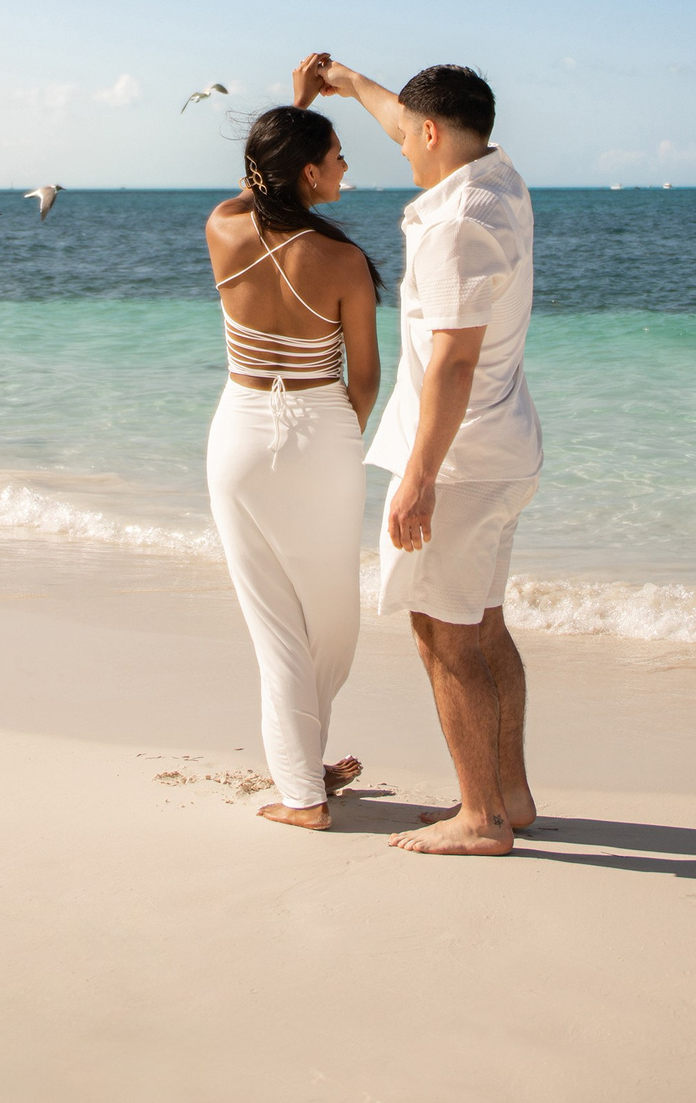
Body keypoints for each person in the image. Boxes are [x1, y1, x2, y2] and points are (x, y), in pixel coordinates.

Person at [303, 55, 541, 856]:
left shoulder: (455, 225)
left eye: (410, 136)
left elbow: (454, 363)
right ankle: (509, 794)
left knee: (444, 637)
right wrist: (346, 79)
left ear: (434, 133)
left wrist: (417, 479)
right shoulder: (498, 179)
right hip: (503, 448)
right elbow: (408, 116)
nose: (401, 147)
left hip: (461, 461)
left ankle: (481, 817)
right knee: (483, 628)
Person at [202, 66, 384, 830]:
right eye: (337, 155)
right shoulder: (342, 261)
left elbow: (249, 192)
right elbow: (367, 378)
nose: (347, 165)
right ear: (308, 172)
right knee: (332, 614)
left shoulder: (223, 229)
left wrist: (298, 111)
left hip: (239, 433)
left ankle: (302, 768)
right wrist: (332, 440)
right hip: (321, 430)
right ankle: (304, 792)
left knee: (274, 619)